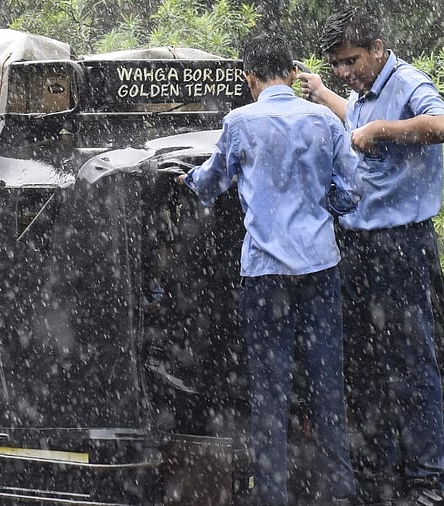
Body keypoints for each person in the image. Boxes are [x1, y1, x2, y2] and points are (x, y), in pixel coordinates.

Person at [177, 34, 361, 506]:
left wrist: (186, 180)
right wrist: (327, 209)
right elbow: (353, 187)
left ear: (249, 79)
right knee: (326, 385)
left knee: (270, 389)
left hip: (264, 274)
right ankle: (337, 494)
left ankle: (272, 494)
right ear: (293, 73)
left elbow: (212, 181)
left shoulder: (239, 122)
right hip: (321, 267)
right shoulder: (323, 118)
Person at [297, 6, 444, 506]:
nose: (345, 72)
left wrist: (385, 130)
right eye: (338, 65)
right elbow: (356, 119)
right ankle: (379, 478)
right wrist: (325, 95)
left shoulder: (408, 82)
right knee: (365, 366)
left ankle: (426, 484)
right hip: (358, 245)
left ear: (377, 49)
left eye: (351, 61)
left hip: (402, 245)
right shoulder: (360, 94)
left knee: (411, 365)